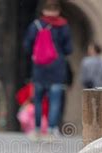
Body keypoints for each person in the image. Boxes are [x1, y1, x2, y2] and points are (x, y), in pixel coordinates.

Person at [23, 0, 72, 140]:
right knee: (55, 101)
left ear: (43, 10)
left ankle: (37, 129)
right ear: (58, 11)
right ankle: (51, 130)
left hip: (39, 69)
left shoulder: (35, 25)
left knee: (37, 100)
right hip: (57, 69)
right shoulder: (63, 26)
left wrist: (36, 53)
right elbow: (69, 49)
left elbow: (27, 45)